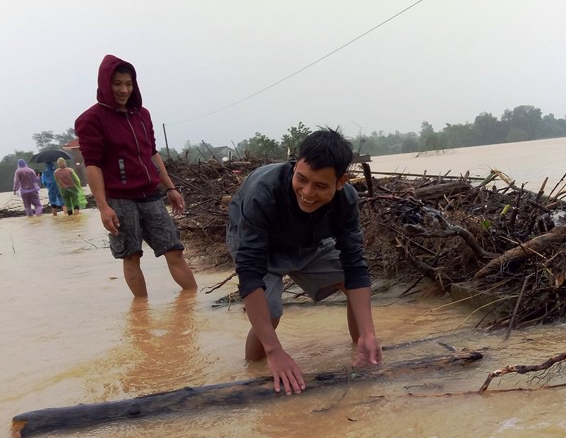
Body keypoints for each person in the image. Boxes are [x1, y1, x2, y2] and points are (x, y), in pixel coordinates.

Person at [227, 128, 382, 396]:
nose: (307, 193)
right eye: (302, 179)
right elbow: (250, 271)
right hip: (258, 246)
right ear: (295, 164)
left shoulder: (346, 201)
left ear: (341, 181)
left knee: (347, 279)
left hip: (309, 240)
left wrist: (369, 333)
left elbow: (355, 265)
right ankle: (254, 373)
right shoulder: (263, 191)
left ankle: (364, 353)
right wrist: (276, 351)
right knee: (270, 313)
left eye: (321, 186)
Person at [74, 54, 197, 298]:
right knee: (131, 256)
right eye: (117, 83)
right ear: (105, 84)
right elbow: (93, 165)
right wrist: (103, 207)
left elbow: (152, 153)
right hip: (119, 199)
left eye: (128, 84)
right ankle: (142, 311)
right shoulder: (90, 120)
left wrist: (170, 188)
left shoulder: (142, 114)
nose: (123, 90)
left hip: (150, 194)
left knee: (174, 250)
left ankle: (192, 303)